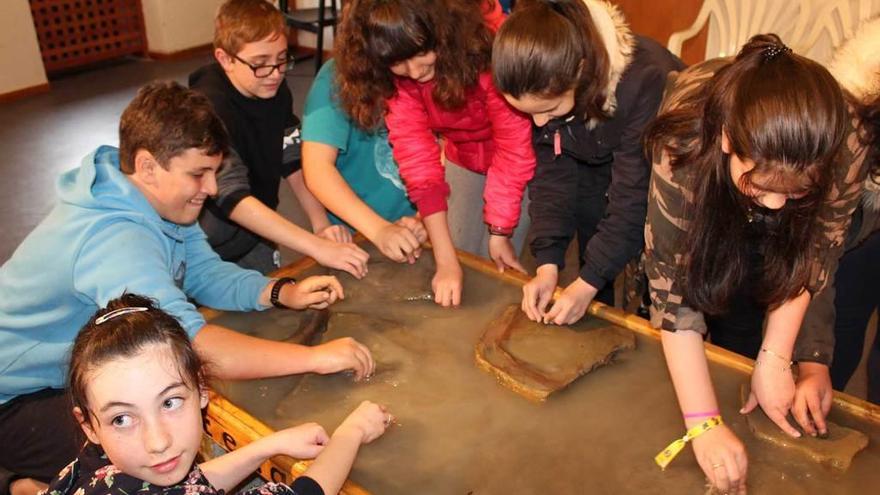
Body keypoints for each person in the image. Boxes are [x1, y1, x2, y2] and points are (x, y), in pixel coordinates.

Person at [0, 81, 374, 495]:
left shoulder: (153, 200)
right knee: (140, 462)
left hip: (79, 366)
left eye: (214, 172)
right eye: (198, 174)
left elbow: (204, 272)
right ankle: (24, 484)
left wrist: (279, 292)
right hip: (19, 398)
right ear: (146, 167)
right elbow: (191, 348)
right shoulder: (116, 241)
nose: (212, 189)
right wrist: (313, 357)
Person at [643, 34, 868, 494]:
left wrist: (776, 357)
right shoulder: (684, 134)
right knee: (714, 285)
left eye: (795, 191)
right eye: (760, 186)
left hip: (783, 213)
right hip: (704, 190)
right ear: (728, 139)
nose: (775, 205)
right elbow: (671, 285)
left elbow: (815, 251)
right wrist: (703, 423)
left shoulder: (846, 140)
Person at [44, 294, 392, 495]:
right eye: (122, 419)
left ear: (201, 389)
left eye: (169, 402)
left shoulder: (101, 463)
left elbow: (191, 485)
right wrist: (352, 431)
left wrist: (268, 446)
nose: (158, 441)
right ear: (89, 425)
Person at [492, 0, 684, 325]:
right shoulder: (548, 84)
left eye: (549, 110)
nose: (538, 124)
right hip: (595, 152)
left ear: (580, 71)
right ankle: (598, 308)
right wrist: (548, 263)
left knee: (664, 288)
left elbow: (633, 198)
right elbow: (552, 178)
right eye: (529, 113)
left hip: (668, 173)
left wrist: (587, 282)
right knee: (591, 239)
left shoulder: (644, 81)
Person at [334, 0, 536, 307]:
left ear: (442, 33)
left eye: (421, 55)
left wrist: (499, 230)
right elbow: (418, 161)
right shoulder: (393, 77)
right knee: (458, 256)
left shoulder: (489, 52)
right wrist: (446, 261)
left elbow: (513, 150)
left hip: (522, 156)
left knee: (497, 262)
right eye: (398, 63)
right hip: (463, 155)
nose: (414, 72)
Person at [189, 0, 369, 277]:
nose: (275, 73)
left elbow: (292, 157)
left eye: (282, 59)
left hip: (256, 231)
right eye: (260, 63)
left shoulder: (270, 85)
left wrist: (320, 224)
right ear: (225, 59)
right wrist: (314, 246)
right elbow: (231, 196)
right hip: (207, 244)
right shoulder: (209, 106)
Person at [792, 16, 880, 426]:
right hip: (855, 222)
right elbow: (817, 248)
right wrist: (813, 362)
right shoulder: (847, 131)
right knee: (842, 315)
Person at [301, 58, 428, 265]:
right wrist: (379, 229)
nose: (414, 72)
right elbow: (317, 169)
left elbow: (451, 150)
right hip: (356, 235)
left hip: (425, 224)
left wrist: (424, 216)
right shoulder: (336, 79)